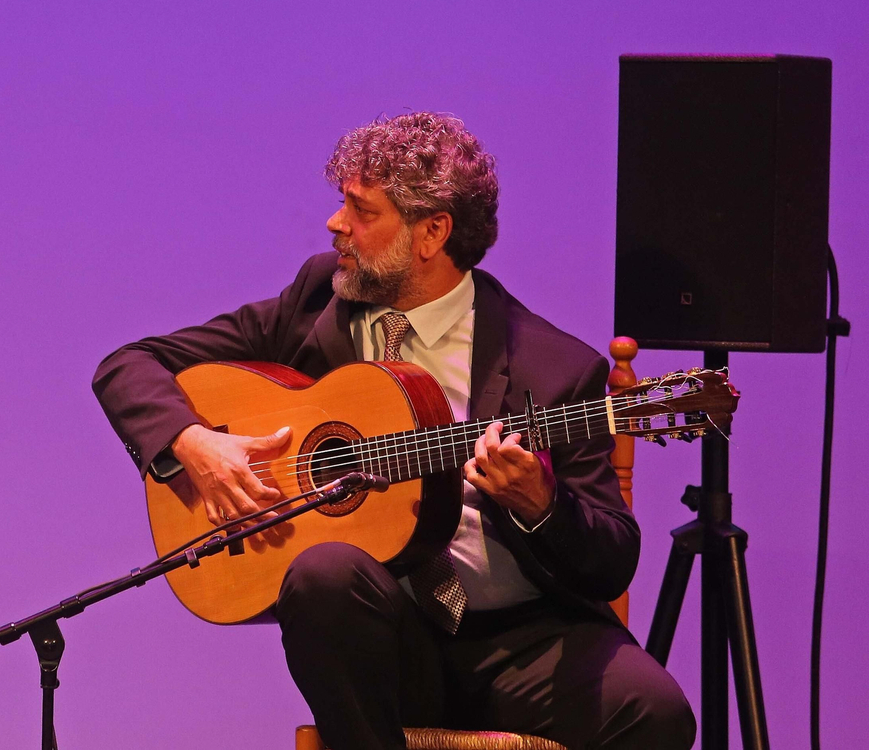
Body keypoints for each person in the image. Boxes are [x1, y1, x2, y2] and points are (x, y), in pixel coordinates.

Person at [91, 113, 694, 750]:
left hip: (523, 644)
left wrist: (542, 507)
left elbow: (611, 559)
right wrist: (194, 443)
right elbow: (129, 365)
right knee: (323, 573)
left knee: (657, 714)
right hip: (385, 642)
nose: (336, 224)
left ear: (432, 232)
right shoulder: (315, 303)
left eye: (361, 210)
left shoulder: (556, 368)